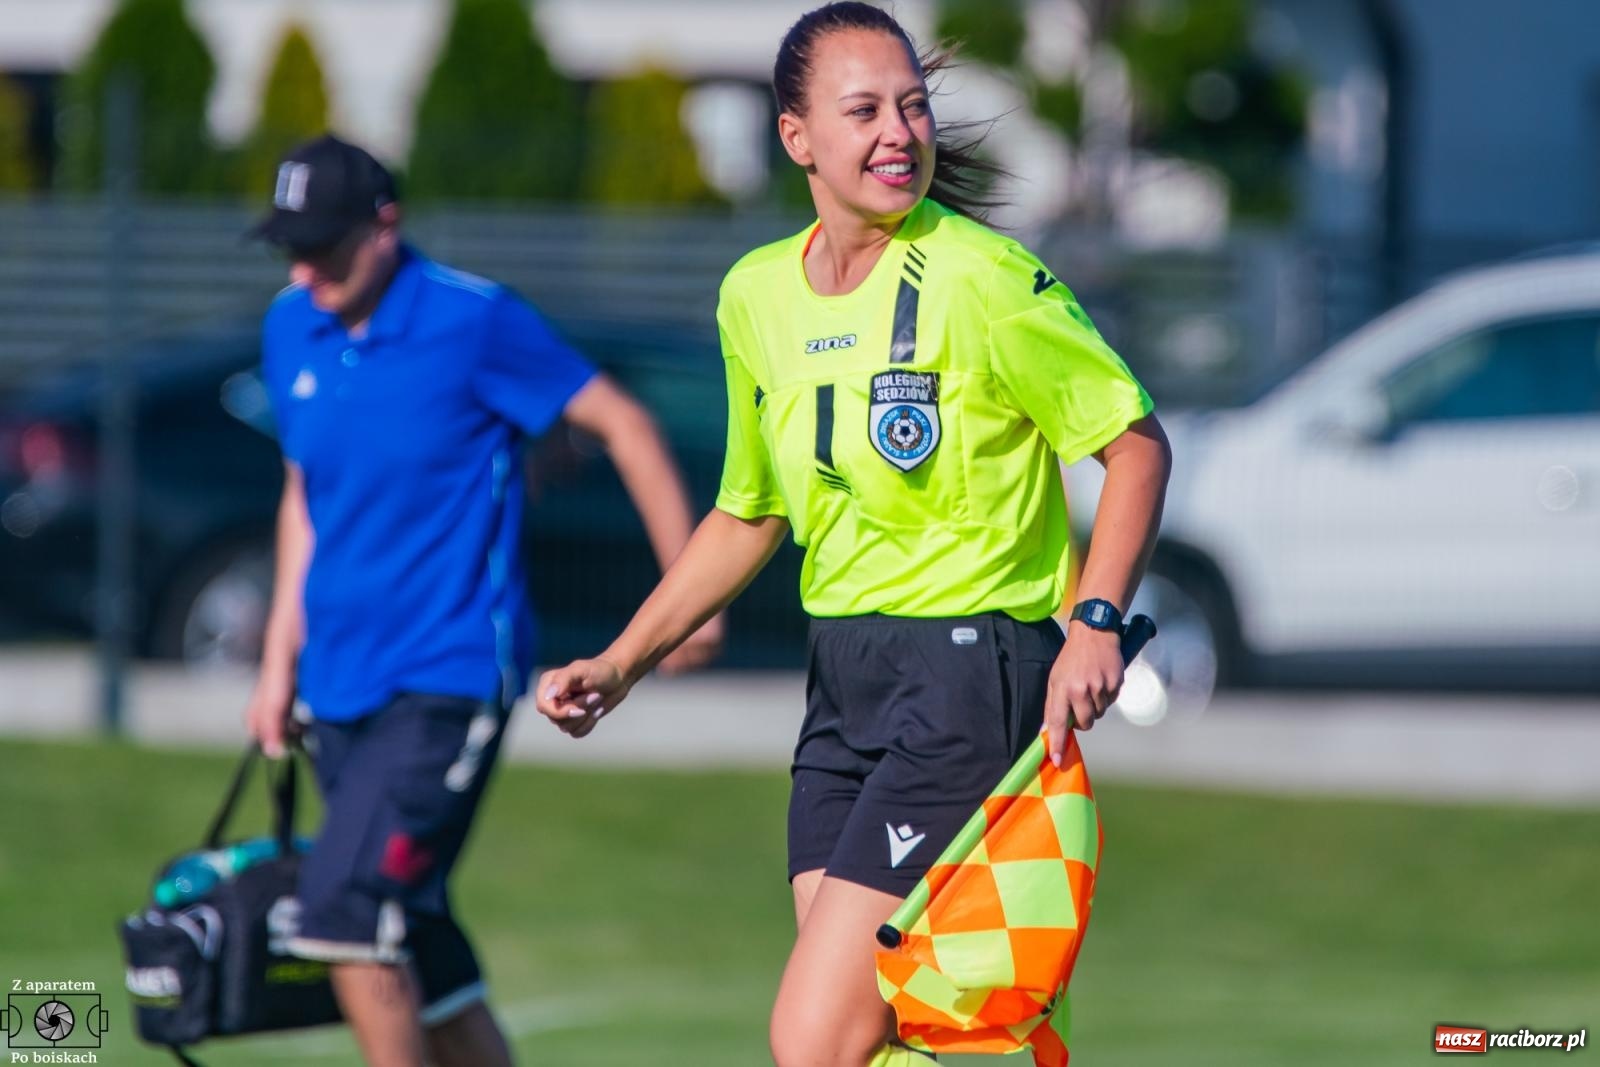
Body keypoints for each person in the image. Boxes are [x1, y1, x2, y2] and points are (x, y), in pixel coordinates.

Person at [534, 4, 1172, 1065]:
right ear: (798, 139)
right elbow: (751, 511)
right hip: (842, 685)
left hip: (969, 676)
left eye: (913, 107)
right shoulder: (755, 296)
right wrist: (620, 660)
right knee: (891, 1034)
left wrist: (1095, 621)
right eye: (865, 109)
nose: (899, 132)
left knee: (813, 1035)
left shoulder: (983, 277)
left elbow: (1135, 444)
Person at [243, 134, 720, 1067]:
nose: (304, 268)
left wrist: (686, 600)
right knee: (420, 943)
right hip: (337, 681)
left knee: (345, 909)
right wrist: (275, 663)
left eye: (325, 244)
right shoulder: (289, 323)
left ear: (387, 226)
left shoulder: (474, 319)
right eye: (289, 246)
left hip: (447, 672)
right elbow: (304, 494)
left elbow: (623, 422)